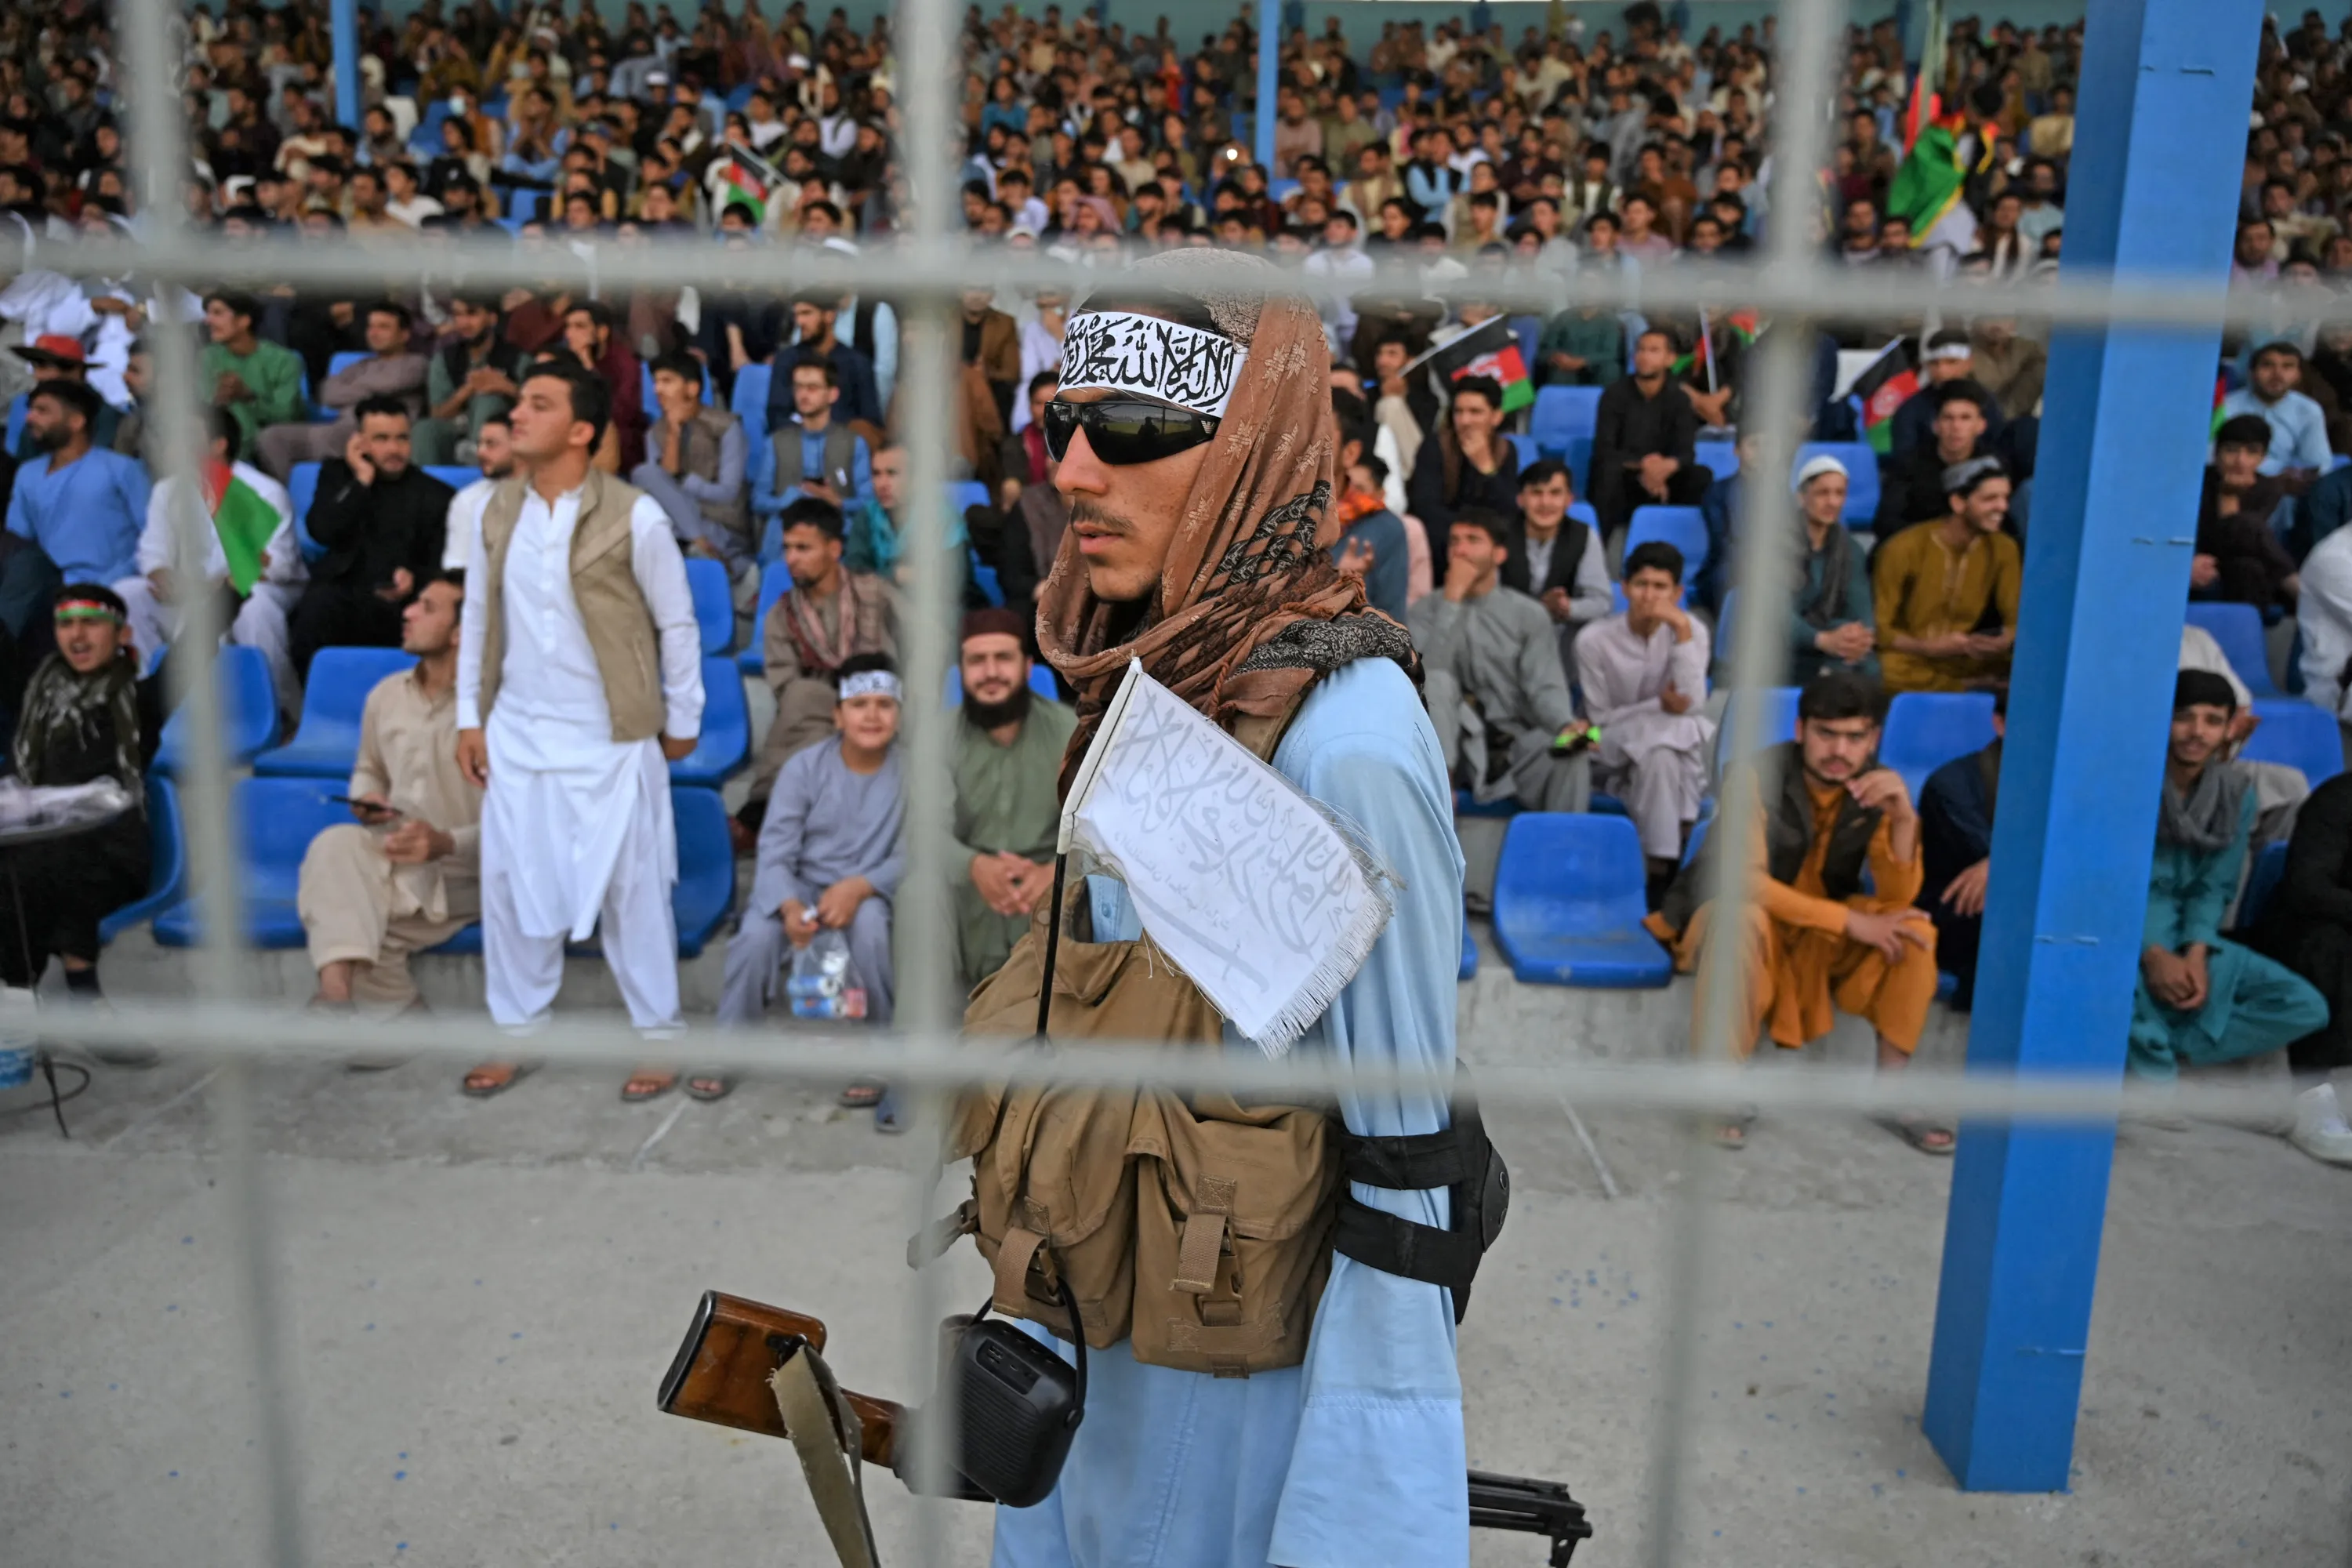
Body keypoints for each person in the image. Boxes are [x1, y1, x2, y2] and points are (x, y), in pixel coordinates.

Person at [999, 247, 1466, 1568]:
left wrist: (1368, 1519)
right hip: (1094, 1348)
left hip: (1230, 1418)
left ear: (1254, 444)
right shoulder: (1153, 671)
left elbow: (1404, 1174)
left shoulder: (1344, 743)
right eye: (1064, 423)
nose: (1074, 471)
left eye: (1133, 427)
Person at [450, 360, 703, 1102]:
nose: (517, 414)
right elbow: (476, 618)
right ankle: (516, 1032)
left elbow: (677, 623)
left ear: (581, 430)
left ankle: (659, 1036)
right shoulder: (491, 510)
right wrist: (470, 716)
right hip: (518, 731)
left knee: (633, 891)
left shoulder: (636, 514)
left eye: (539, 403)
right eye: (519, 402)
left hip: (610, 737)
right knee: (510, 885)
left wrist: (683, 717)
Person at [1645, 670, 1951, 1152]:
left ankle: (1891, 1094)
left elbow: (1898, 899)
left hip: (1813, 930)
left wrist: (1903, 818)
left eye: (1855, 738)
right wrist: (1849, 922)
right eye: (1827, 734)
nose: (1840, 751)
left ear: (1874, 739)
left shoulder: (1877, 789)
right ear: (1800, 730)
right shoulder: (1754, 776)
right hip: (1733, 915)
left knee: (1914, 930)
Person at [716, 651, 906, 1115]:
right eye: (859, 705)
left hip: (869, 890)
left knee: (871, 929)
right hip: (800, 887)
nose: (872, 716)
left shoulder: (913, 773)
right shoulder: (803, 768)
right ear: (838, 715)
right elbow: (775, 849)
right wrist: (788, 907)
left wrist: (859, 887)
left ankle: (883, 1055)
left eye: (884, 704)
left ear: (899, 716)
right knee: (755, 936)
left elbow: (915, 852)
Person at [296, 574, 481, 1025]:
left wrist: (445, 843)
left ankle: (397, 1018)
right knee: (334, 844)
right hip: (396, 854)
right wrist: (366, 797)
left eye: (427, 608)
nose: (408, 613)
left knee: (351, 913)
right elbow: (369, 767)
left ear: (461, 633)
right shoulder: (386, 695)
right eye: (413, 603)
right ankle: (335, 997)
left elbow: (526, 825)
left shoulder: (499, 709)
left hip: (471, 870)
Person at [2129, 670, 2327, 1083]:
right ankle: (2154, 1056)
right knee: (2122, 994)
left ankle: (2176, 1046)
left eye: (2212, 721)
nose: (2197, 732)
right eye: (2184, 717)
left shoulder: (2235, 793)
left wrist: (2196, 954)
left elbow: (2214, 886)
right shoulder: (2129, 786)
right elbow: (2110, 886)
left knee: (2306, 1006)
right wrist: (2153, 954)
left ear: (2228, 730)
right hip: (2125, 936)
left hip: (2191, 934)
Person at [0, 585, 163, 1011]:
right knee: (18, 869)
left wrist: (234, 588)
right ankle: (23, 1000)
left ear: (123, 634)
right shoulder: (36, 700)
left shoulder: (143, 700)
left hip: (112, 848)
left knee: (49, 866)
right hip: (35, 845)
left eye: (91, 623)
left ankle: (67, 992)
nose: (77, 635)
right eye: (66, 624)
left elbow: (195, 650)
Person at [117, 408, 305, 709]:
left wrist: (215, 586)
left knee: (254, 606)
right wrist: (163, 576)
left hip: (255, 588)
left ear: (219, 445)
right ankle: (158, 702)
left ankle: (280, 708)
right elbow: (152, 551)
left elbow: (276, 564)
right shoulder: (168, 490)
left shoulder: (262, 491)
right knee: (128, 593)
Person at [1411, 508, 1588, 812]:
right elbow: (1428, 681)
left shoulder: (1528, 614)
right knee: (1437, 679)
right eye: (1454, 541)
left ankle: (1564, 841)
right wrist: (1452, 601)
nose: (1461, 550)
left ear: (1500, 554)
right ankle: (1441, 796)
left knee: (1573, 747)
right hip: (1451, 750)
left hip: (1514, 748)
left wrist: (1565, 724)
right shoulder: (1423, 612)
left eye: (1473, 540)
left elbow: (1544, 685)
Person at [744, 496, 896, 829]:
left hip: (883, 705)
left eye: (803, 549)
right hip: (820, 718)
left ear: (834, 549)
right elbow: (785, 688)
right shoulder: (782, 615)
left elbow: (927, 641)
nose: (791, 559)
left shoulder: (876, 593)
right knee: (803, 699)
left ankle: (766, 811)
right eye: (787, 548)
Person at [1573, 541, 1715, 894]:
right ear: (1624, 588)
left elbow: (1692, 703)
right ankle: (1681, 842)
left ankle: (1657, 867)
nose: (1650, 596)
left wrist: (1681, 631)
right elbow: (1600, 719)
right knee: (1683, 729)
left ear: (1678, 593)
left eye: (1660, 587)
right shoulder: (1593, 639)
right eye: (1641, 585)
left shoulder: (1691, 630)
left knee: (1662, 755)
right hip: (1603, 742)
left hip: (1662, 748)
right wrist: (1658, 707)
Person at [948, 608, 1076, 988]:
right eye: (977, 661)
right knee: (917, 891)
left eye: (1003, 658)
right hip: (966, 894)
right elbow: (921, 829)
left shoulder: (1069, 733)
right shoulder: (936, 738)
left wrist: (1056, 873)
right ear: (961, 671)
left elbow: (1099, 830)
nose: (990, 672)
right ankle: (927, 1021)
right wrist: (973, 865)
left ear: (1027, 667)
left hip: (1049, 886)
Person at [286, 398, 455, 683]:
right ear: (360, 442)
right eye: (381, 439)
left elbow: (445, 565)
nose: (394, 449)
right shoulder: (338, 476)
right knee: (314, 610)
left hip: (402, 602)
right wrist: (361, 481)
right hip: (342, 593)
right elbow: (322, 531)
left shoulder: (437, 495)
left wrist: (415, 578)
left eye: (402, 438)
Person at [2251, 768, 2352, 1163]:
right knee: (2330, 945)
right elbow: (2308, 887)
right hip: (2312, 927)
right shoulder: (2340, 798)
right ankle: (2310, 1097)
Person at [4, 379, 148, 651]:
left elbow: (152, 536)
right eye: (31, 410)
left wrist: (115, 579)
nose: (30, 418)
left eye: (42, 411)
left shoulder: (122, 469)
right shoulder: (27, 474)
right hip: (46, 598)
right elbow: (19, 542)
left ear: (76, 421)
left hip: (116, 591)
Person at [1872, 457, 2020, 693]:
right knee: (1884, 669)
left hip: (1963, 657)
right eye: (1990, 499)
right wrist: (1926, 647)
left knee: (2027, 665)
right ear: (1958, 503)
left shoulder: (2004, 549)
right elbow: (1880, 628)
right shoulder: (1903, 548)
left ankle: (1963, 686)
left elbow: (2015, 619)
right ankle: (1968, 687)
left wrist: (2003, 640)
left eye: (2005, 498)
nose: (2002, 507)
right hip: (1911, 655)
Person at [254, 300, 428, 481]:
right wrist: (370, 390)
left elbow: (390, 384)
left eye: (383, 327)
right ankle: (290, 493)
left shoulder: (416, 363)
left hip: (379, 437)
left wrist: (352, 388)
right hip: (336, 433)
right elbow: (327, 393)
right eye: (371, 327)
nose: (374, 333)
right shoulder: (360, 365)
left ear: (404, 335)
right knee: (272, 437)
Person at [1915, 689, 2005, 1011]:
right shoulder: (1951, 783)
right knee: (2001, 900)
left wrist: (1998, 865)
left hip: (2007, 905)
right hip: (1955, 911)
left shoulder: (2065, 782)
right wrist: (2000, 865)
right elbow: (1982, 856)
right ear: (2000, 723)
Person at [632, 350, 751, 573]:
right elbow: (657, 486)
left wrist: (683, 482)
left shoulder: (725, 427)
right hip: (677, 527)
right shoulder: (655, 433)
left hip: (720, 525)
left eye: (667, 381)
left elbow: (729, 494)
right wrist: (673, 433)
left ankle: (700, 544)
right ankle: (700, 544)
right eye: (656, 382)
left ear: (692, 388)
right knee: (644, 474)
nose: (657, 389)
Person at [1589, 327, 1709, 538]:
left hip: (1666, 479)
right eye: (1641, 350)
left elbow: (1686, 453)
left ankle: (1684, 542)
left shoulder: (1679, 399)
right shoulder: (1614, 394)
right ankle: (1599, 547)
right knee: (1607, 472)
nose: (1644, 356)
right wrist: (1644, 466)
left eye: (1654, 351)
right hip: (1626, 477)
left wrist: (1664, 468)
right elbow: (1604, 450)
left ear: (1670, 359)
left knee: (1701, 476)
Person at [1499, 456, 1611, 668]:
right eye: (1536, 493)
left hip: (1560, 640)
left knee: (1591, 633)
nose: (1545, 503)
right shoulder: (1499, 535)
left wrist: (1566, 607)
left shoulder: (1584, 536)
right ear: (1521, 500)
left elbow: (1601, 601)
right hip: (1506, 633)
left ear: (1569, 500)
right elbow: (1486, 600)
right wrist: (1540, 609)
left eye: (1555, 493)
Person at [1777, 453, 1878, 683]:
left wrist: (1856, 637)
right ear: (1802, 497)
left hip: (1831, 640)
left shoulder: (1850, 549)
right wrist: (1822, 639)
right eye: (1823, 493)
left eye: (1839, 493)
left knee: (1869, 667)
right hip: (1784, 644)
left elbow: (1861, 609)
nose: (1832, 502)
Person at [2195, 415, 2300, 617]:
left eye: (2252, 452)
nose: (2240, 461)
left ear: (2262, 458)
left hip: (2241, 560)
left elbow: (2241, 541)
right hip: (2203, 557)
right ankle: (2291, 581)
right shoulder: (2198, 482)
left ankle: (2249, 632)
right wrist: (2228, 495)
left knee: (2249, 568)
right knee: (2249, 525)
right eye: (2231, 450)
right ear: (2216, 453)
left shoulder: (2268, 487)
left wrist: (2229, 497)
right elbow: (2212, 538)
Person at [412, 291, 528, 466]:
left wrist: (505, 386)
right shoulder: (445, 359)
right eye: (458, 315)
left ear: (492, 318)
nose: (463, 323)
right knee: (424, 429)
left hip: (504, 430)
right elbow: (437, 413)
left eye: (472, 314)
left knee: (488, 399)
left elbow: (536, 407)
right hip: (457, 427)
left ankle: (479, 457)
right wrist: (469, 389)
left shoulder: (518, 358)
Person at [757, 358, 873, 528]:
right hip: (786, 531)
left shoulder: (854, 443)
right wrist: (786, 502)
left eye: (812, 388)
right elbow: (758, 500)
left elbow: (869, 502)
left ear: (833, 394)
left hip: (837, 531)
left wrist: (838, 502)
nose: (803, 395)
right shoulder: (776, 442)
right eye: (798, 387)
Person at [1873, 383, 2000, 536]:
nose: (1956, 426)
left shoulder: (1994, 468)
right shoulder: (1909, 465)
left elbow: (2002, 524)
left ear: (1981, 426)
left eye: (1965, 418)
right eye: (1948, 418)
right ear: (1935, 425)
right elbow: (1885, 523)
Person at [1405, 373, 1519, 530]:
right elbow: (1426, 508)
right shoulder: (1435, 447)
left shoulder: (1505, 449)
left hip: (1490, 537)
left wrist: (1486, 466)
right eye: (1459, 412)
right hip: (1443, 534)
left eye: (1475, 412)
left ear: (1496, 417)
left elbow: (1509, 510)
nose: (1465, 421)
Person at [201, 290, 307, 455]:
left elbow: (286, 415)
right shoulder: (207, 357)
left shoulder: (283, 360)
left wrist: (248, 396)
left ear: (244, 321)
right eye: (208, 314)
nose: (208, 321)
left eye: (218, 313)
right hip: (216, 446)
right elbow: (195, 405)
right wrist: (218, 397)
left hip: (267, 449)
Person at [2219, 339, 2333, 487]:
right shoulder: (2226, 406)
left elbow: (2318, 464)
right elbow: (2209, 457)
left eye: (2287, 367)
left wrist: (2299, 475)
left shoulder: (2309, 410)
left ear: (2298, 375)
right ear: (2252, 372)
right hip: (2232, 481)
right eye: (2267, 365)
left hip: (2286, 489)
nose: (2277, 374)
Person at [1885, 329, 2009, 458]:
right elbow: (1904, 458)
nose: (1942, 370)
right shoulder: (1911, 409)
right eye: (1935, 363)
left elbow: (1999, 451)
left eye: (1951, 362)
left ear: (1969, 363)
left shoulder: (1988, 403)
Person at [439, 414, 517, 572]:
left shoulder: (546, 493)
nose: (480, 452)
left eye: (491, 444)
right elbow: (458, 565)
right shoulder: (469, 500)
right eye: (479, 444)